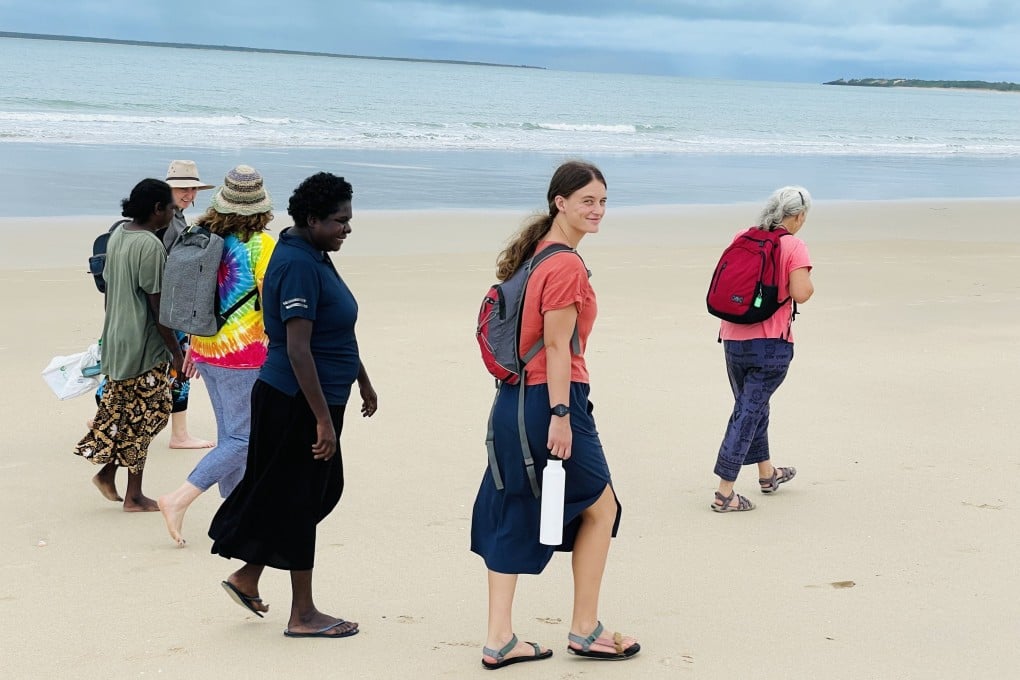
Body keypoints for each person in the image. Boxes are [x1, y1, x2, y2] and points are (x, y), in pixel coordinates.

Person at [470, 161, 640, 669]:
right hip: (549, 401)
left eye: (604, 201)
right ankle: (585, 629)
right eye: (587, 200)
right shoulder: (564, 264)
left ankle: (499, 639)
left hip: (511, 402)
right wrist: (563, 415)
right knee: (601, 505)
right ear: (559, 202)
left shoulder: (535, 256)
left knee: (512, 507)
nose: (598, 211)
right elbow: (556, 346)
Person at [208, 172, 378, 639]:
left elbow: (336, 328)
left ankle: (248, 574)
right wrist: (322, 419)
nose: (347, 228)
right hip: (295, 402)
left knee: (310, 493)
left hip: (316, 396)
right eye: (340, 221)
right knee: (303, 498)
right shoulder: (298, 264)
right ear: (311, 219)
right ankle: (302, 615)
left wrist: (362, 379)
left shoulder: (314, 252)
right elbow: (299, 348)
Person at [158, 165, 276, 547]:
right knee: (243, 438)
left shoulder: (207, 237)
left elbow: (199, 297)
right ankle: (178, 499)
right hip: (243, 354)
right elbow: (269, 303)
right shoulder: (261, 245)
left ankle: (236, 510)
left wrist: (192, 344)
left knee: (231, 434)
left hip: (206, 347)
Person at [74, 179, 185, 511]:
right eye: (170, 207)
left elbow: (109, 289)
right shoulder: (150, 247)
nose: (172, 212)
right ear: (157, 210)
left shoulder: (120, 234)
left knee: (129, 412)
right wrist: (177, 355)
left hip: (117, 337)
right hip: (142, 345)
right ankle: (133, 495)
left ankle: (109, 473)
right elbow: (158, 309)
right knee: (150, 414)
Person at [710, 186, 814, 513]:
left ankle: (767, 475)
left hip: (733, 339)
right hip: (770, 345)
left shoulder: (744, 235)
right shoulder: (794, 245)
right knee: (748, 411)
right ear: (798, 217)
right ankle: (724, 492)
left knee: (753, 406)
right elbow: (802, 292)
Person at [161, 159, 216, 449]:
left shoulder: (170, 215)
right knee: (181, 365)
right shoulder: (170, 219)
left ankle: (105, 417)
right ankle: (179, 435)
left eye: (193, 188)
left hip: (160, 304)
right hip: (169, 306)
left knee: (137, 364)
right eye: (182, 188)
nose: (189, 194)